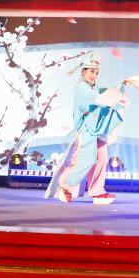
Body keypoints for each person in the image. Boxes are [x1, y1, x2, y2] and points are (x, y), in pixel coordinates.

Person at [44, 53, 128, 205]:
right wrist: (115, 95)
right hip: (86, 130)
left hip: (96, 130)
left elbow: (105, 92)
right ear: (83, 71)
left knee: (101, 159)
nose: (94, 75)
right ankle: (66, 185)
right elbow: (99, 98)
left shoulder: (92, 88)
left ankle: (97, 192)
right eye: (91, 71)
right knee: (87, 159)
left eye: (96, 73)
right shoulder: (81, 88)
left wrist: (121, 87)